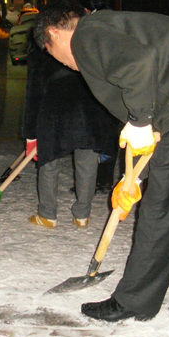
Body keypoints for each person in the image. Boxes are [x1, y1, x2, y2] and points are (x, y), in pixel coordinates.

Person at [34, 0, 169, 331]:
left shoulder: (87, 33)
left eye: (53, 53)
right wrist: (136, 177)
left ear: (54, 33)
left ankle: (134, 301)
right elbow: (157, 101)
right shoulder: (116, 27)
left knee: (160, 212)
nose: (64, 63)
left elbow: (139, 65)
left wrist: (139, 121)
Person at [22, 29, 119, 229]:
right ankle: (83, 215)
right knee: (87, 163)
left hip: (54, 111)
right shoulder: (86, 45)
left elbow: (33, 95)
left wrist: (31, 135)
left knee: (49, 162)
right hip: (89, 109)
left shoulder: (41, 53)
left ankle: (47, 215)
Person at [76, 0, 121, 194]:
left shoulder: (93, 25)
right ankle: (104, 181)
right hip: (118, 86)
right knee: (111, 136)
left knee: (98, 135)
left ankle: (98, 181)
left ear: (85, 9)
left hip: (104, 86)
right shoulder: (114, 18)